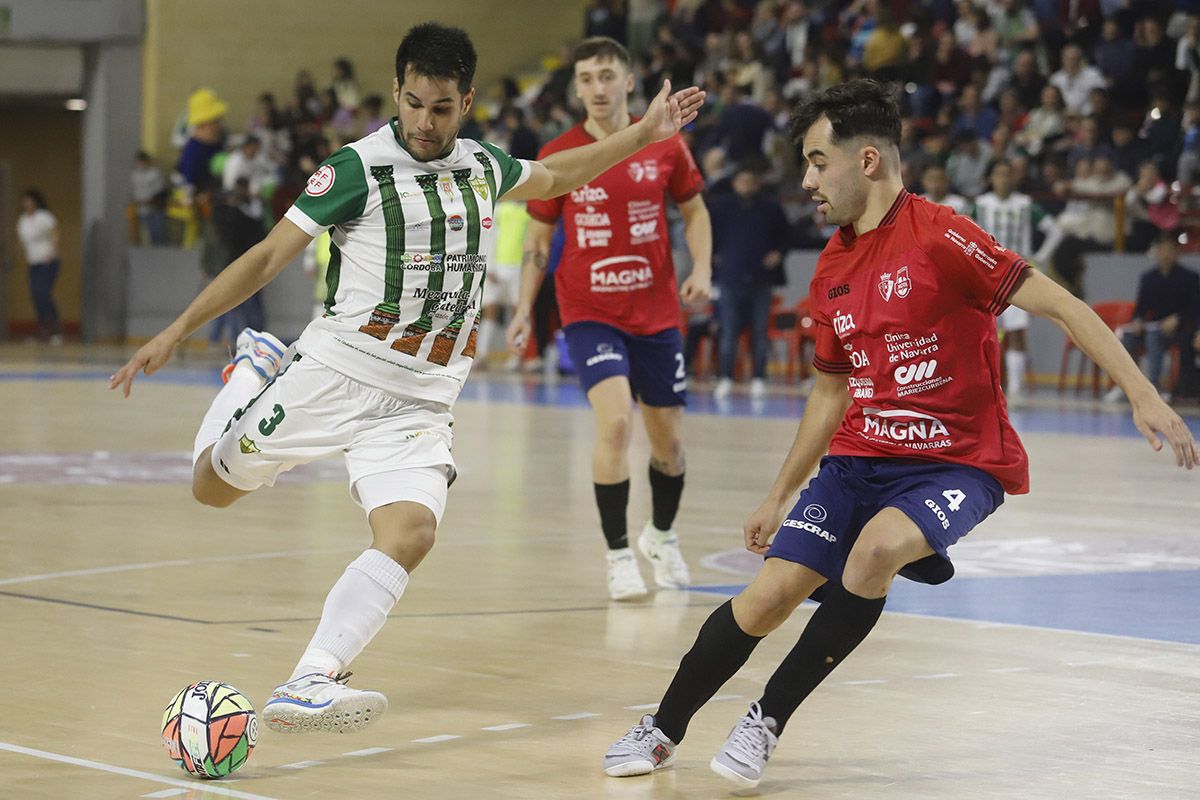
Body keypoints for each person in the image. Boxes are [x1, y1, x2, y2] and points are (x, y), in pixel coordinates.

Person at [110, 22, 704, 735]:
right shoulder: (357, 168)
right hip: (335, 374)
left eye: (442, 107)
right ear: (397, 91)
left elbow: (562, 175)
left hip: (422, 397)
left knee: (412, 531)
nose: (426, 122)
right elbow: (269, 256)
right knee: (210, 489)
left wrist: (645, 134)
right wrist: (176, 330)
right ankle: (251, 370)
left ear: (467, 101)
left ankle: (310, 678)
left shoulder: (484, 166)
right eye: (415, 103)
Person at [602, 79, 1197, 790]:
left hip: (958, 464)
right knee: (767, 597)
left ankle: (766, 719)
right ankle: (662, 728)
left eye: (819, 162)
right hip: (859, 460)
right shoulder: (831, 267)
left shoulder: (944, 236)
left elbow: (1065, 305)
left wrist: (1144, 394)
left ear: (870, 161)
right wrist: (778, 494)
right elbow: (828, 395)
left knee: (875, 551)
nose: (807, 180)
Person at [506, 36, 713, 601]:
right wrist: (525, 306)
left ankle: (661, 536)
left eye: (605, 76)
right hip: (589, 310)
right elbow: (539, 234)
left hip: (657, 311)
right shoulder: (562, 153)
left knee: (668, 444)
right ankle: (618, 554)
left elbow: (694, 210)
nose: (596, 88)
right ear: (576, 88)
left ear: (627, 81)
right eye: (585, 79)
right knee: (616, 423)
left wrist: (703, 267)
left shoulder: (667, 147)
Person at [707, 160, 790, 400]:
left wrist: (779, 253)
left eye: (751, 182)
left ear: (757, 184)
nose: (746, 186)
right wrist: (712, 257)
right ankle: (725, 377)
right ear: (734, 183)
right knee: (728, 330)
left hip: (760, 279)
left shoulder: (771, 208)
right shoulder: (722, 207)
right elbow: (706, 233)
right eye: (742, 181)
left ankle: (758, 378)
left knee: (759, 331)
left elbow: (787, 236)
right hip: (729, 278)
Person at [973, 159, 1047, 400]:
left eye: (1007, 174)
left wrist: (1039, 256)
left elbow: (1053, 228)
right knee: (982, 331)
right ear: (991, 178)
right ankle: (984, 385)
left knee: (1016, 330)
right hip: (985, 273)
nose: (1003, 179)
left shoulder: (1025, 204)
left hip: (1016, 271)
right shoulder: (979, 205)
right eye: (999, 174)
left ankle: (1015, 388)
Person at [1106, 230, 1200, 402]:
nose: (1165, 255)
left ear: (1177, 252)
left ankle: (1154, 386)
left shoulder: (1190, 278)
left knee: (1153, 338)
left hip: (1177, 330)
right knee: (1127, 337)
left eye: (1170, 250)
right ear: (1156, 251)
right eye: (1162, 250)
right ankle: (1125, 384)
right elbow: (1141, 309)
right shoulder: (1148, 278)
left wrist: (1177, 318)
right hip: (1153, 327)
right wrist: (1137, 321)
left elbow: (1194, 309)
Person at [15, 189, 63, 344]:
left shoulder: (44, 217)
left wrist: (51, 251)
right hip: (33, 262)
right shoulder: (23, 220)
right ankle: (42, 329)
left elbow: (55, 233)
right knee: (35, 295)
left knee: (43, 293)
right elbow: (23, 242)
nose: (27, 204)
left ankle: (55, 329)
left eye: (30, 200)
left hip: (47, 261)